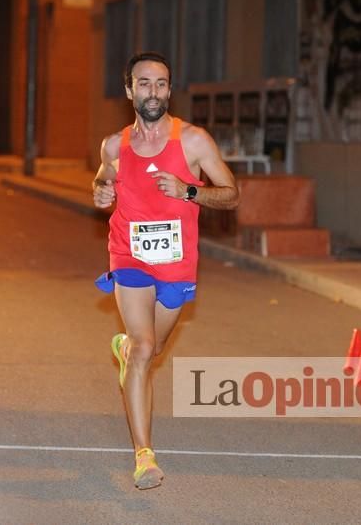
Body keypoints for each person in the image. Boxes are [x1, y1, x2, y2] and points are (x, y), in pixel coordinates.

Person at [92, 51, 239, 490]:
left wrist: (189, 190)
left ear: (169, 90)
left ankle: (128, 350)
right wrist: (100, 191)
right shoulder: (114, 145)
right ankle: (144, 455)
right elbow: (103, 178)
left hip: (176, 263)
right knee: (142, 348)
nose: (152, 91)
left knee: (151, 349)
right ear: (129, 90)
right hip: (129, 255)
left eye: (160, 83)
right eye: (143, 83)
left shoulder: (192, 141)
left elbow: (231, 194)